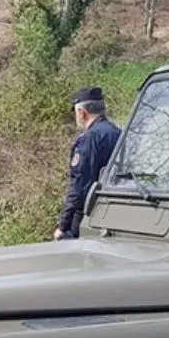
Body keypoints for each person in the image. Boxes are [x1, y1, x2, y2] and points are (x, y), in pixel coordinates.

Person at [54, 87, 122, 240]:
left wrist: (63, 225)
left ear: (82, 112)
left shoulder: (89, 138)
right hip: (113, 209)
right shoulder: (118, 133)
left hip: (86, 214)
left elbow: (79, 184)